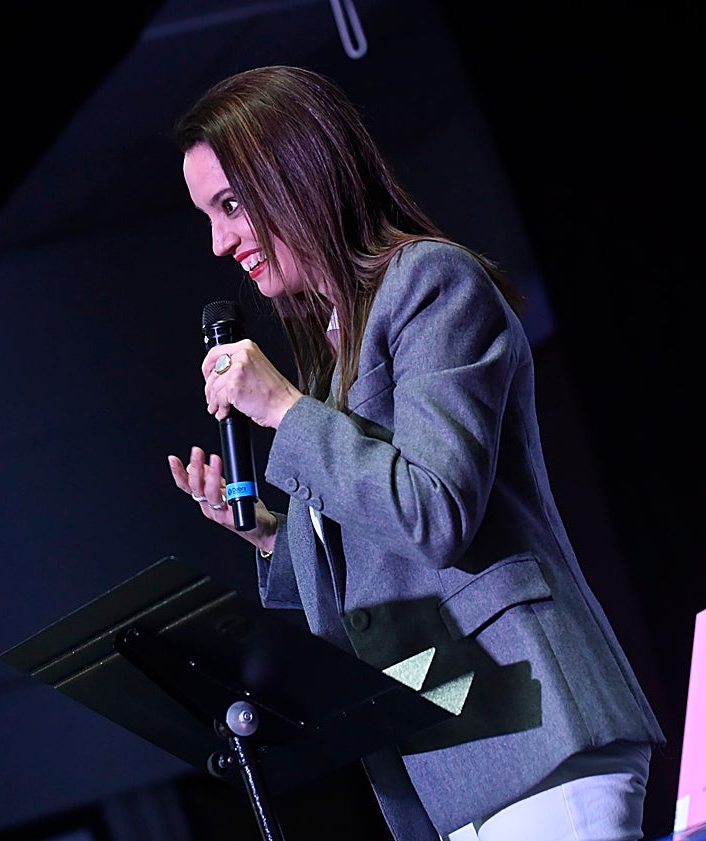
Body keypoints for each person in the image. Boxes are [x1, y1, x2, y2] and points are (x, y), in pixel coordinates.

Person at [167, 65, 665, 841]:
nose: (219, 241)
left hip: (532, 727)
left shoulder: (433, 283)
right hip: (448, 755)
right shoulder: (332, 359)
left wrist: (284, 411)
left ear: (299, 173)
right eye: (209, 215)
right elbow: (369, 568)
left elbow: (434, 512)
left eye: (230, 205)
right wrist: (267, 533)